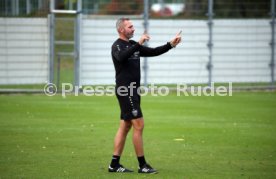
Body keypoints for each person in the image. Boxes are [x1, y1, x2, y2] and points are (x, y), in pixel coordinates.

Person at [108, 17, 181, 174]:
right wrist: (139, 44)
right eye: (130, 27)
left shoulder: (133, 45)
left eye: (133, 26)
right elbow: (121, 57)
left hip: (134, 91)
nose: (133, 29)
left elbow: (153, 52)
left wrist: (170, 44)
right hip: (125, 90)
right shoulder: (117, 46)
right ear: (121, 29)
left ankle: (114, 164)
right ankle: (142, 165)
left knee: (126, 125)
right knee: (139, 125)